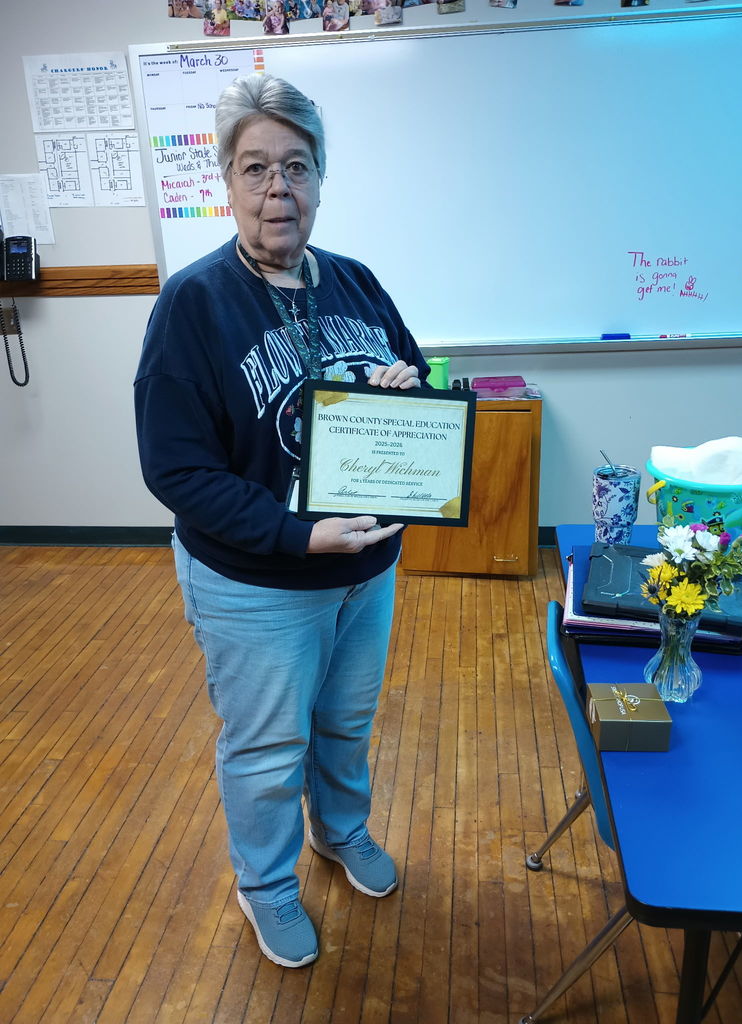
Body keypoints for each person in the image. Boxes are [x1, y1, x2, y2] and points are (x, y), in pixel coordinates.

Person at [134, 74, 429, 969]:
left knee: (344, 721)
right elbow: (176, 470)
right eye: (256, 168)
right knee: (267, 749)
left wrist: (406, 390)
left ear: (319, 178)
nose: (278, 190)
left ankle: (339, 832)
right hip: (257, 583)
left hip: (363, 573)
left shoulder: (355, 281)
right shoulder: (192, 304)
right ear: (227, 182)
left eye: (296, 167)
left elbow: (418, 376)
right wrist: (297, 534)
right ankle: (263, 885)